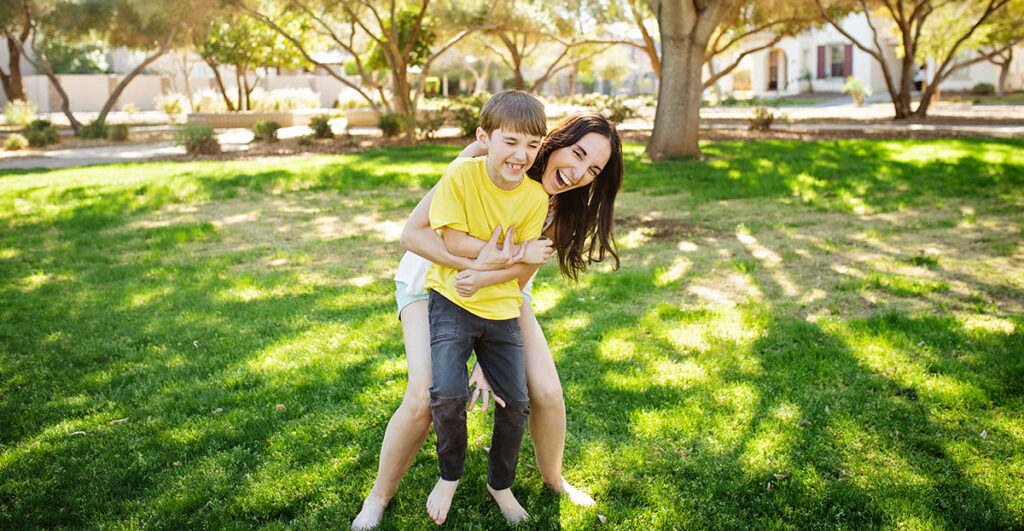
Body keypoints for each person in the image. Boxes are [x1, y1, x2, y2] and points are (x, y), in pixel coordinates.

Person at [351, 111, 623, 529]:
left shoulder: (560, 207)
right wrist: (473, 263)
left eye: (594, 169)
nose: (580, 172)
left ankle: (555, 480)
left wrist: (488, 356)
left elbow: (518, 277)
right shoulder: (488, 156)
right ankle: (378, 497)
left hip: (502, 292)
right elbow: (414, 233)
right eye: (578, 154)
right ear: (558, 139)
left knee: (547, 390)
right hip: (432, 279)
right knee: (424, 394)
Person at [423, 90, 549, 525]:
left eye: (533, 145)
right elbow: (453, 242)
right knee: (447, 395)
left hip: (501, 309)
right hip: (452, 299)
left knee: (516, 402)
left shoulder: (535, 198)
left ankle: (501, 484)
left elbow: (520, 269)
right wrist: (507, 252)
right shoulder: (461, 175)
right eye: (511, 142)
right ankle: (450, 474)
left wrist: (508, 259)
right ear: (485, 137)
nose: (521, 155)